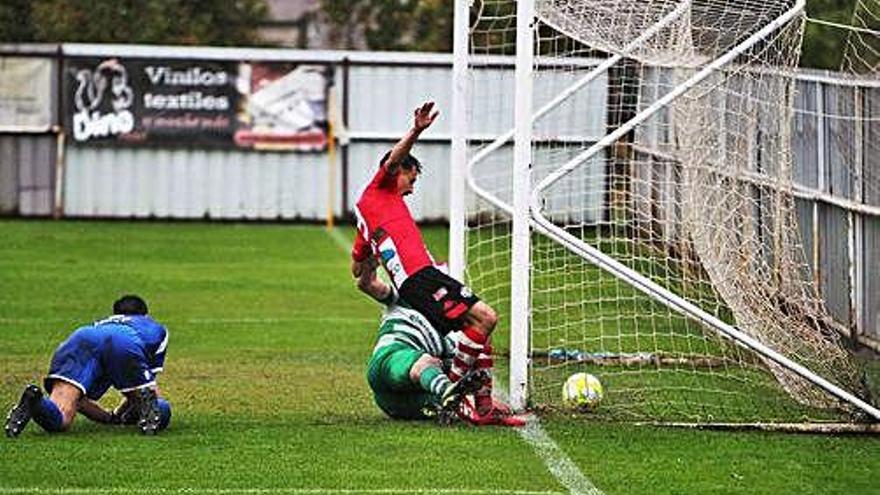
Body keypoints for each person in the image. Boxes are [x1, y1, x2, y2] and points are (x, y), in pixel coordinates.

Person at [352, 101, 503, 421]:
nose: (410, 189)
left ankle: (484, 406)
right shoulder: (379, 190)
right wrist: (417, 129)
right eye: (412, 180)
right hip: (421, 277)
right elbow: (393, 159)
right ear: (399, 172)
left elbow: (358, 270)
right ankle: (454, 389)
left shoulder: (366, 217)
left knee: (479, 332)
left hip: (416, 281)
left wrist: (370, 264)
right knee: (486, 318)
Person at [355, 252, 524, 427]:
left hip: (406, 403)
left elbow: (471, 365)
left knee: (448, 369)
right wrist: (369, 263)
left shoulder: (455, 334)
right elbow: (367, 284)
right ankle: (449, 395)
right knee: (427, 362)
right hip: (388, 364)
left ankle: (454, 401)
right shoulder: (405, 295)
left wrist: (483, 400)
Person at [5, 295, 171, 437]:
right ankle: (151, 420)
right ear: (146, 315)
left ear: (115, 314)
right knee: (156, 405)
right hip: (124, 342)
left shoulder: (102, 323)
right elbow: (143, 391)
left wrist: (109, 418)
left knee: (61, 418)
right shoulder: (154, 327)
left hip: (81, 337)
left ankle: (35, 401)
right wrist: (123, 414)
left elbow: (80, 402)